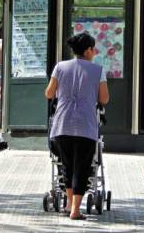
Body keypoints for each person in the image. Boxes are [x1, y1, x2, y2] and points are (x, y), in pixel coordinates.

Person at [45, 32, 109, 220]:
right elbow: (104, 98)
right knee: (82, 167)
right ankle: (75, 210)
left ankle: (68, 204)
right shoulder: (98, 70)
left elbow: (49, 93)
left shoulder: (60, 67)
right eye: (93, 49)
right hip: (86, 126)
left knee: (66, 165)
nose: (95, 52)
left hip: (62, 124)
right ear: (88, 50)